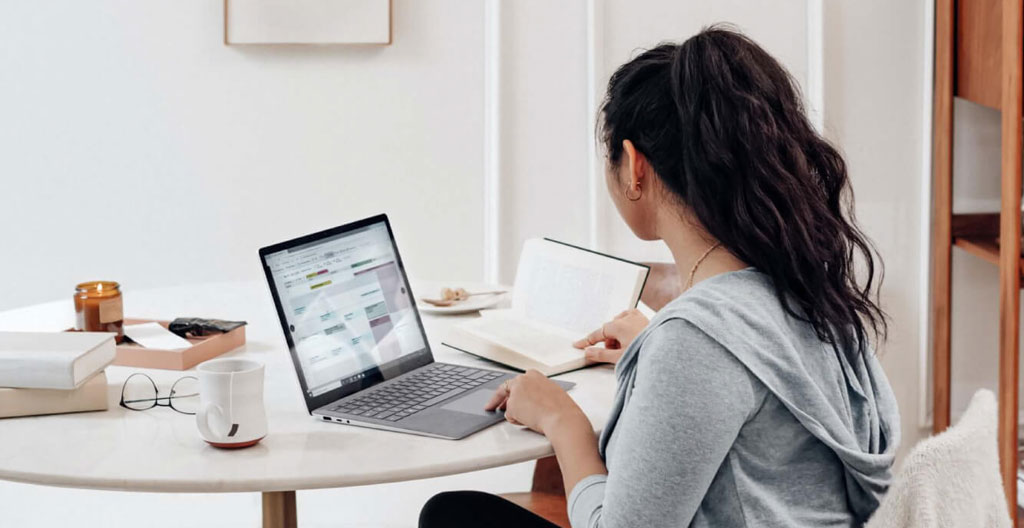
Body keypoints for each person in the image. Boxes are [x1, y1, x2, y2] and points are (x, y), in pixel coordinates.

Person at [419, 26, 899, 528]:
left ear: (634, 166)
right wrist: (656, 355)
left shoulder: (697, 342)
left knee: (451, 516)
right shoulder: (806, 288)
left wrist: (562, 421)